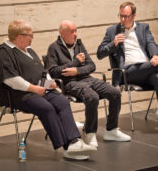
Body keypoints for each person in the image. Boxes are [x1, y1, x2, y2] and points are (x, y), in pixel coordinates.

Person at [0, 20, 97, 161]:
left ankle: (74, 141)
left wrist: (50, 83)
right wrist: (34, 89)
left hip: (40, 90)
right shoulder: (3, 53)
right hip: (18, 95)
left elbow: (43, 72)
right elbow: (10, 80)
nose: (32, 38)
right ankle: (67, 147)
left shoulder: (29, 51)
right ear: (20, 36)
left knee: (62, 101)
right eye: (30, 35)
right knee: (46, 107)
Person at [97, 2, 158, 138]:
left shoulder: (143, 28)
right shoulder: (112, 31)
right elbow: (99, 53)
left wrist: (155, 55)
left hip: (146, 70)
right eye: (121, 16)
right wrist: (113, 44)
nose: (123, 19)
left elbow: (151, 43)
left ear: (134, 15)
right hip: (127, 73)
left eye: (126, 16)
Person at [46, 20, 131, 148]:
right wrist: (74, 63)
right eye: (72, 31)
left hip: (88, 79)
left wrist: (77, 70)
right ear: (62, 33)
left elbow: (92, 65)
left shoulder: (79, 44)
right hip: (70, 83)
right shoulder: (54, 48)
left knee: (115, 93)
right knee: (92, 97)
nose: (75, 34)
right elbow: (52, 72)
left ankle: (111, 130)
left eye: (76, 30)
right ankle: (89, 132)